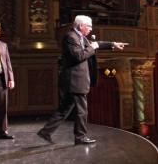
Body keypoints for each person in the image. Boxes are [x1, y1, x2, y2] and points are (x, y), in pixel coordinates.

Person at [37, 15, 125, 145]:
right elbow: (78, 56)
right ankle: (80, 137)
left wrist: (112, 45)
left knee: (65, 108)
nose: (91, 28)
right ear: (81, 26)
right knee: (82, 110)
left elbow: (96, 44)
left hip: (76, 80)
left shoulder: (80, 37)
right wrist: (92, 47)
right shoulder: (70, 37)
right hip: (74, 80)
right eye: (89, 26)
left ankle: (45, 132)